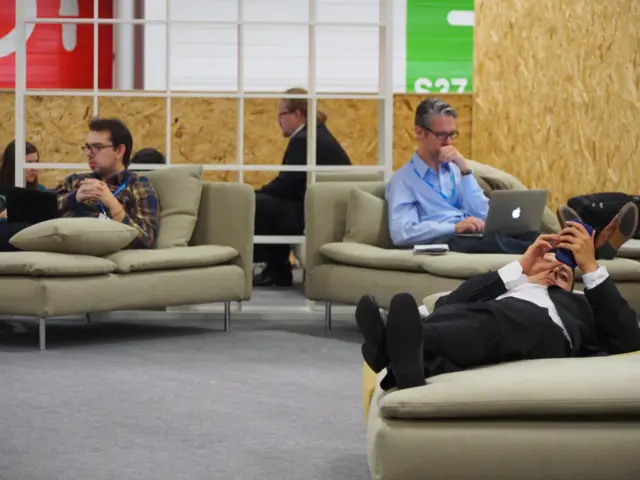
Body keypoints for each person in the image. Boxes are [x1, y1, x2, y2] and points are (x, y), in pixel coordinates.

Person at [356, 215, 640, 391]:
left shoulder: (581, 309)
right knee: (464, 313)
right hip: (495, 317)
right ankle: (408, 364)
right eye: (548, 266)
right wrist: (521, 266)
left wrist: (589, 267)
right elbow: (448, 305)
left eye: (564, 275)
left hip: (542, 329)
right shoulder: (507, 289)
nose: (555, 272)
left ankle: (388, 343)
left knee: (500, 320)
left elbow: (629, 338)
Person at [386, 98, 540, 254]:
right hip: (445, 238)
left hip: (471, 234)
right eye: (441, 135)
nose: (448, 142)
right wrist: (454, 227)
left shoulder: (454, 170)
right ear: (419, 132)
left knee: (534, 236)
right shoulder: (403, 180)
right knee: (497, 242)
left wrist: (465, 169)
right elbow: (402, 232)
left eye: (452, 134)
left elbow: (483, 214)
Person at [253, 87, 352, 288]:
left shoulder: (305, 139)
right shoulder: (315, 135)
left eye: (281, 115)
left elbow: (286, 184)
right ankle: (276, 267)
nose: (278, 121)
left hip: (316, 214)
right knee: (265, 202)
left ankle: (277, 269)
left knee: (258, 204)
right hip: (325, 210)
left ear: (297, 114)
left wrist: (254, 193)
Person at [55, 118, 159, 249]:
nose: (88, 154)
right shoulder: (75, 181)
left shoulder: (137, 186)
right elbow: (40, 212)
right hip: (66, 248)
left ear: (119, 151)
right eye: (87, 147)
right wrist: (73, 198)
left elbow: (145, 241)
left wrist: (112, 203)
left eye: (97, 147)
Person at [0, 140, 46, 218]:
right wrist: (2, 217)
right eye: (28, 163)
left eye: (36, 162)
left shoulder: (41, 191)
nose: (34, 168)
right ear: (12, 165)